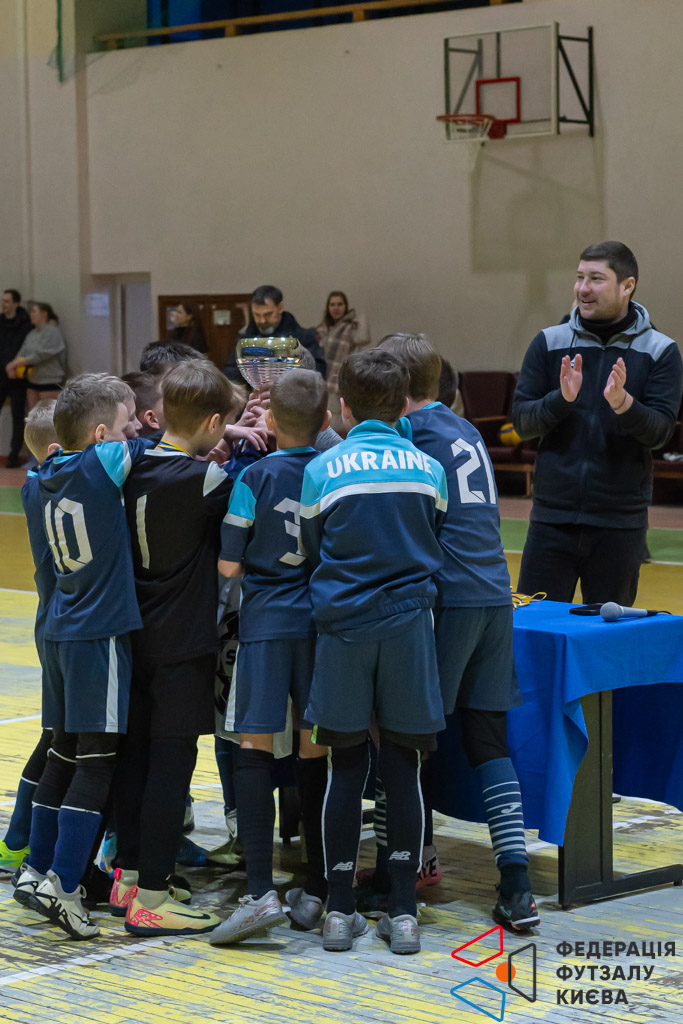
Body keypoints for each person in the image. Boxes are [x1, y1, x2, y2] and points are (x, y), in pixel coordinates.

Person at [379, 334, 539, 932]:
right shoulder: (465, 429)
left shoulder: (408, 436)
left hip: (449, 600)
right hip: (496, 594)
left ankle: (405, 868)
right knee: (487, 741)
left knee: (404, 738)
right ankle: (517, 886)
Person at [299, 350, 447, 955]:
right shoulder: (428, 468)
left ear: (344, 407)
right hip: (410, 630)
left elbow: (313, 547)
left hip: (344, 632)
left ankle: (339, 911)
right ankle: (404, 914)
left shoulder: (322, 468)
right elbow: (434, 533)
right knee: (404, 767)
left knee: (344, 766)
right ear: (404, 404)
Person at [12, 375, 148, 939]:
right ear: (100, 437)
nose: (135, 430)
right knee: (97, 760)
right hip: (100, 635)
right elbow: (168, 444)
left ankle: (36, 868)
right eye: (126, 423)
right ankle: (65, 885)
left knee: (63, 752)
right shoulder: (102, 464)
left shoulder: (36, 480)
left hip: (61, 629)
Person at [112, 361, 241, 936]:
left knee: (135, 760)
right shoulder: (208, 479)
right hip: (182, 644)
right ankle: (154, 898)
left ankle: (129, 877)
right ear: (213, 422)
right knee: (172, 765)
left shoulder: (130, 462)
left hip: (132, 635)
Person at [210, 369, 331, 946]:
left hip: (263, 628)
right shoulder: (333, 470)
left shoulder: (252, 476)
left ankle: (260, 890)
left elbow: (228, 565)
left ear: (272, 421)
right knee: (316, 751)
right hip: (321, 628)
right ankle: (318, 887)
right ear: (326, 421)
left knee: (254, 747)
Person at [512, 241, 683, 604]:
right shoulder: (549, 342)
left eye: (596, 278)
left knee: (607, 631)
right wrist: (562, 400)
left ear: (627, 285)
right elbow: (523, 424)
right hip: (551, 521)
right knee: (535, 626)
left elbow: (660, 435)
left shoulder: (661, 351)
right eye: (579, 277)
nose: (583, 288)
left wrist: (624, 404)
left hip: (619, 526)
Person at [0, 402, 58, 872]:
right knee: (59, 736)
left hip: (56, 620)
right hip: (63, 623)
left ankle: (19, 838)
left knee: (58, 734)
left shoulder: (40, 481)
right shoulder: (47, 486)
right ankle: (20, 837)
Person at [224, 285, 326, 381]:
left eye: (268, 314)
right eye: (257, 315)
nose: (263, 320)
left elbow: (318, 372)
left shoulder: (303, 337)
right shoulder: (245, 340)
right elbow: (230, 372)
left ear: (280, 308)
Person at [314, 291, 371, 433]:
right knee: (322, 423)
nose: (336, 308)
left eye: (340, 304)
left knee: (338, 424)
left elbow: (363, 339)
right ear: (328, 307)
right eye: (332, 304)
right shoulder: (321, 329)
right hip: (322, 382)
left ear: (346, 307)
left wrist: (362, 315)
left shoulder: (351, 326)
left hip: (340, 382)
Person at [5, 302, 67, 410]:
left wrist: (15, 364)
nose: (31, 314)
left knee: (48, 416)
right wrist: (13, 366)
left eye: (34, 311)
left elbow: (41, 355)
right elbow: (23, 352)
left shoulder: (53, 331)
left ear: (44, 314)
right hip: (33, 380)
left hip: (49, 380)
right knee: (33, 416)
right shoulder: (32, 333)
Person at [0, 289, 31, 467]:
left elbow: (27, 350)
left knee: (17, 417)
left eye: (7, 301)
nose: (3, 304)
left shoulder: (26, 324)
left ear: (16, 304)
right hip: (1, 375)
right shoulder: (0, 321)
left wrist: (14, 365)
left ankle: (14, 455)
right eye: (2, 301)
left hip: (18, 378)